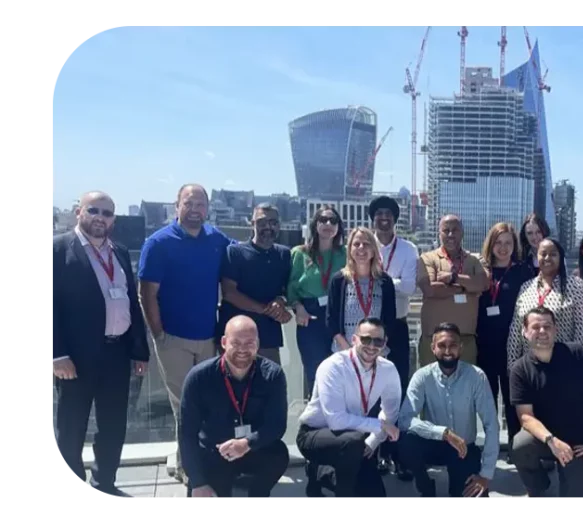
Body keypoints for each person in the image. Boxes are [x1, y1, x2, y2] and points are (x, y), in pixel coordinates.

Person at [51, 191, 150, 498]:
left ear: (113, 220)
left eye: (107, 213)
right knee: (71, 427)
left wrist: (139, 350)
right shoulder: (57, 249)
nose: (100, 217)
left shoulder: (118, 251)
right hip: (75, 358)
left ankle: (104, 484)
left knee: (112, 426)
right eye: (93, 210)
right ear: (79, 211)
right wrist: (57, 353)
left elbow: (132, 304)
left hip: (116, 354)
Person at [138, 183, 233, 478]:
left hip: (209, 338)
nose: (195, 210)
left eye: (200, 204)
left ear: (208, 208)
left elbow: (244, 263)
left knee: (206, 403)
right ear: (176, 205)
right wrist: (159, 336)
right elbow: (146, 294)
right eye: (189, 204)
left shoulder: (217, 239)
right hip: (173, 340)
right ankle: (188, 467)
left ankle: (200, 459)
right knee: (184, 406)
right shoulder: (158, 243)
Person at [179, 316, 290, 501]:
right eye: (236, 342)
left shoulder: (273, 375)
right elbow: (186, 433)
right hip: (215, 451)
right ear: (224, 342)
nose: (242, 349)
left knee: (278, 455)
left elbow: (277, 425)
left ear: (258, 344)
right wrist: (197, 482)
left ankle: (257, 496)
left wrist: (246, 443)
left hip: (253, 448)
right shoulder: (199, 378)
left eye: (249, 343)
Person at [296, 318, 403, 500]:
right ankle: (321, 473)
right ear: (354, 340)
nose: (372, 346)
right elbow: (336, 421)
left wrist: (373, 442)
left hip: (356, 438)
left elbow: (390, 413)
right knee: (352, 445)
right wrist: (380, 426)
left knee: (375, 496)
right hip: (314, 434)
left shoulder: (388, 369)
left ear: (384, 344)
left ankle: (323, 473)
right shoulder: (333, 366)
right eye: (366, 339)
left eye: (378, 341)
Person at [509, 307, 583, 502]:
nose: (542, 332)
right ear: (525, 332)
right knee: (520, 445)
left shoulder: (577, 354)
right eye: (536, 327)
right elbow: (526, 417)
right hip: (546, 440)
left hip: (580, 443)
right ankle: (539, 488)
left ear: (556, 330)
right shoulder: (520, 369)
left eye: (547, 326)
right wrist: (552, 441)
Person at [397, 323, 500, 501]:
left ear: (460, 347)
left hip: (463, 449)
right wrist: (443, 433)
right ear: (433, 348)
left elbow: (491, 424)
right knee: (405, 442)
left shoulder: (476, 376)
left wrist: (486, 474)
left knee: (460, 497)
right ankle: (426, 488)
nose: (447, 351)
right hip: (433, 444)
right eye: (442, 345)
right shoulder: (422, 376)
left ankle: (457, 490)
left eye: (452, 345)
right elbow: (405, 419)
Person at [369, 196, 419, 479]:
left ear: (395, 219)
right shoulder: (365, 243)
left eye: (388, 214)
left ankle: (395, 454)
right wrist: (391, 280)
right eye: (379, 215)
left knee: (397, 389)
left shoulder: (408, 248)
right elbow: (359, 279)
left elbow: (410, 286)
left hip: (397, 327)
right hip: (368, 329)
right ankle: (372, 452)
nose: (383, 219)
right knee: (368, 390)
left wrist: (378, 277)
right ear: (373, 219)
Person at [477, 223, 533, 447]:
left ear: (515, 245)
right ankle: (491, 442)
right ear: (491, 245)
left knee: (513, 397)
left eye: (508, 243)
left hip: (512, 345)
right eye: (498, 243)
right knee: (488, 397)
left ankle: (514, 443)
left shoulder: (522, 271)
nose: (503, 248)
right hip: (485, 343)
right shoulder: (480, 270)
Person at [218, 203, 293, 365]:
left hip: (268, 337)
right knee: (233, 387)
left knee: (268, 386)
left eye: (273, 222)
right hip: (237, 339)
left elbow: (287, 289)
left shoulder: (284, 254)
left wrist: (280, 301)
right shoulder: (235, 252)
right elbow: (229, 293)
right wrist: (267, 310)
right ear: (252, 224)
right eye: (262, 222)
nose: (268, 227)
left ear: (279, 226)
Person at [287, 205, 346, 400]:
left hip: (338, 314)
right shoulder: (299, 253)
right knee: (314, 369)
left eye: (333, 221)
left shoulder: (345, 254)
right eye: (323, 220)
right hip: (310, 316)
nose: (328, 224)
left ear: (339, 227)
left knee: (339, 368)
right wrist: (298, 307)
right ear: (315, 225)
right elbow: (291, 287)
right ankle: (314, 419)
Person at [507, 237, 583, 368]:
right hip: (529, 366)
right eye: (543, 254)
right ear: (537, 257)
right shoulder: (526, 287)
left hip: (562, 365)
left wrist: (575, 366)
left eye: (553, 254)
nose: (547, 258)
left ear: (560, 257)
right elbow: (516, 329)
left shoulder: (576, 286)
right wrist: (512, 364)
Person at [416, 214, 489, 367]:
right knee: (430, 388)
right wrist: (466, 287)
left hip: (466, 341)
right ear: (439, 233)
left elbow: (482, 284)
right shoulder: (427, 258)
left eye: (455, 230)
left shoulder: (475, 259)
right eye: (446, 230)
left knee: (466, 388)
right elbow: (430, 289)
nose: (450, 234)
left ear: (462, 232)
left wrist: (453, 278)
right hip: (434, 340)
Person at [325, 227, 398, 353]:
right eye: (356, 244)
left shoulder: (384, 281)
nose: (361, 248)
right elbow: (331, 319)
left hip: (375, 352)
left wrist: (377, 347)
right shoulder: (339, 280)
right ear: (350, 249)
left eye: (366, 244)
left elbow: (390, 320)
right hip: (344, 351)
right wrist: (348, 350)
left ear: (374, 250)